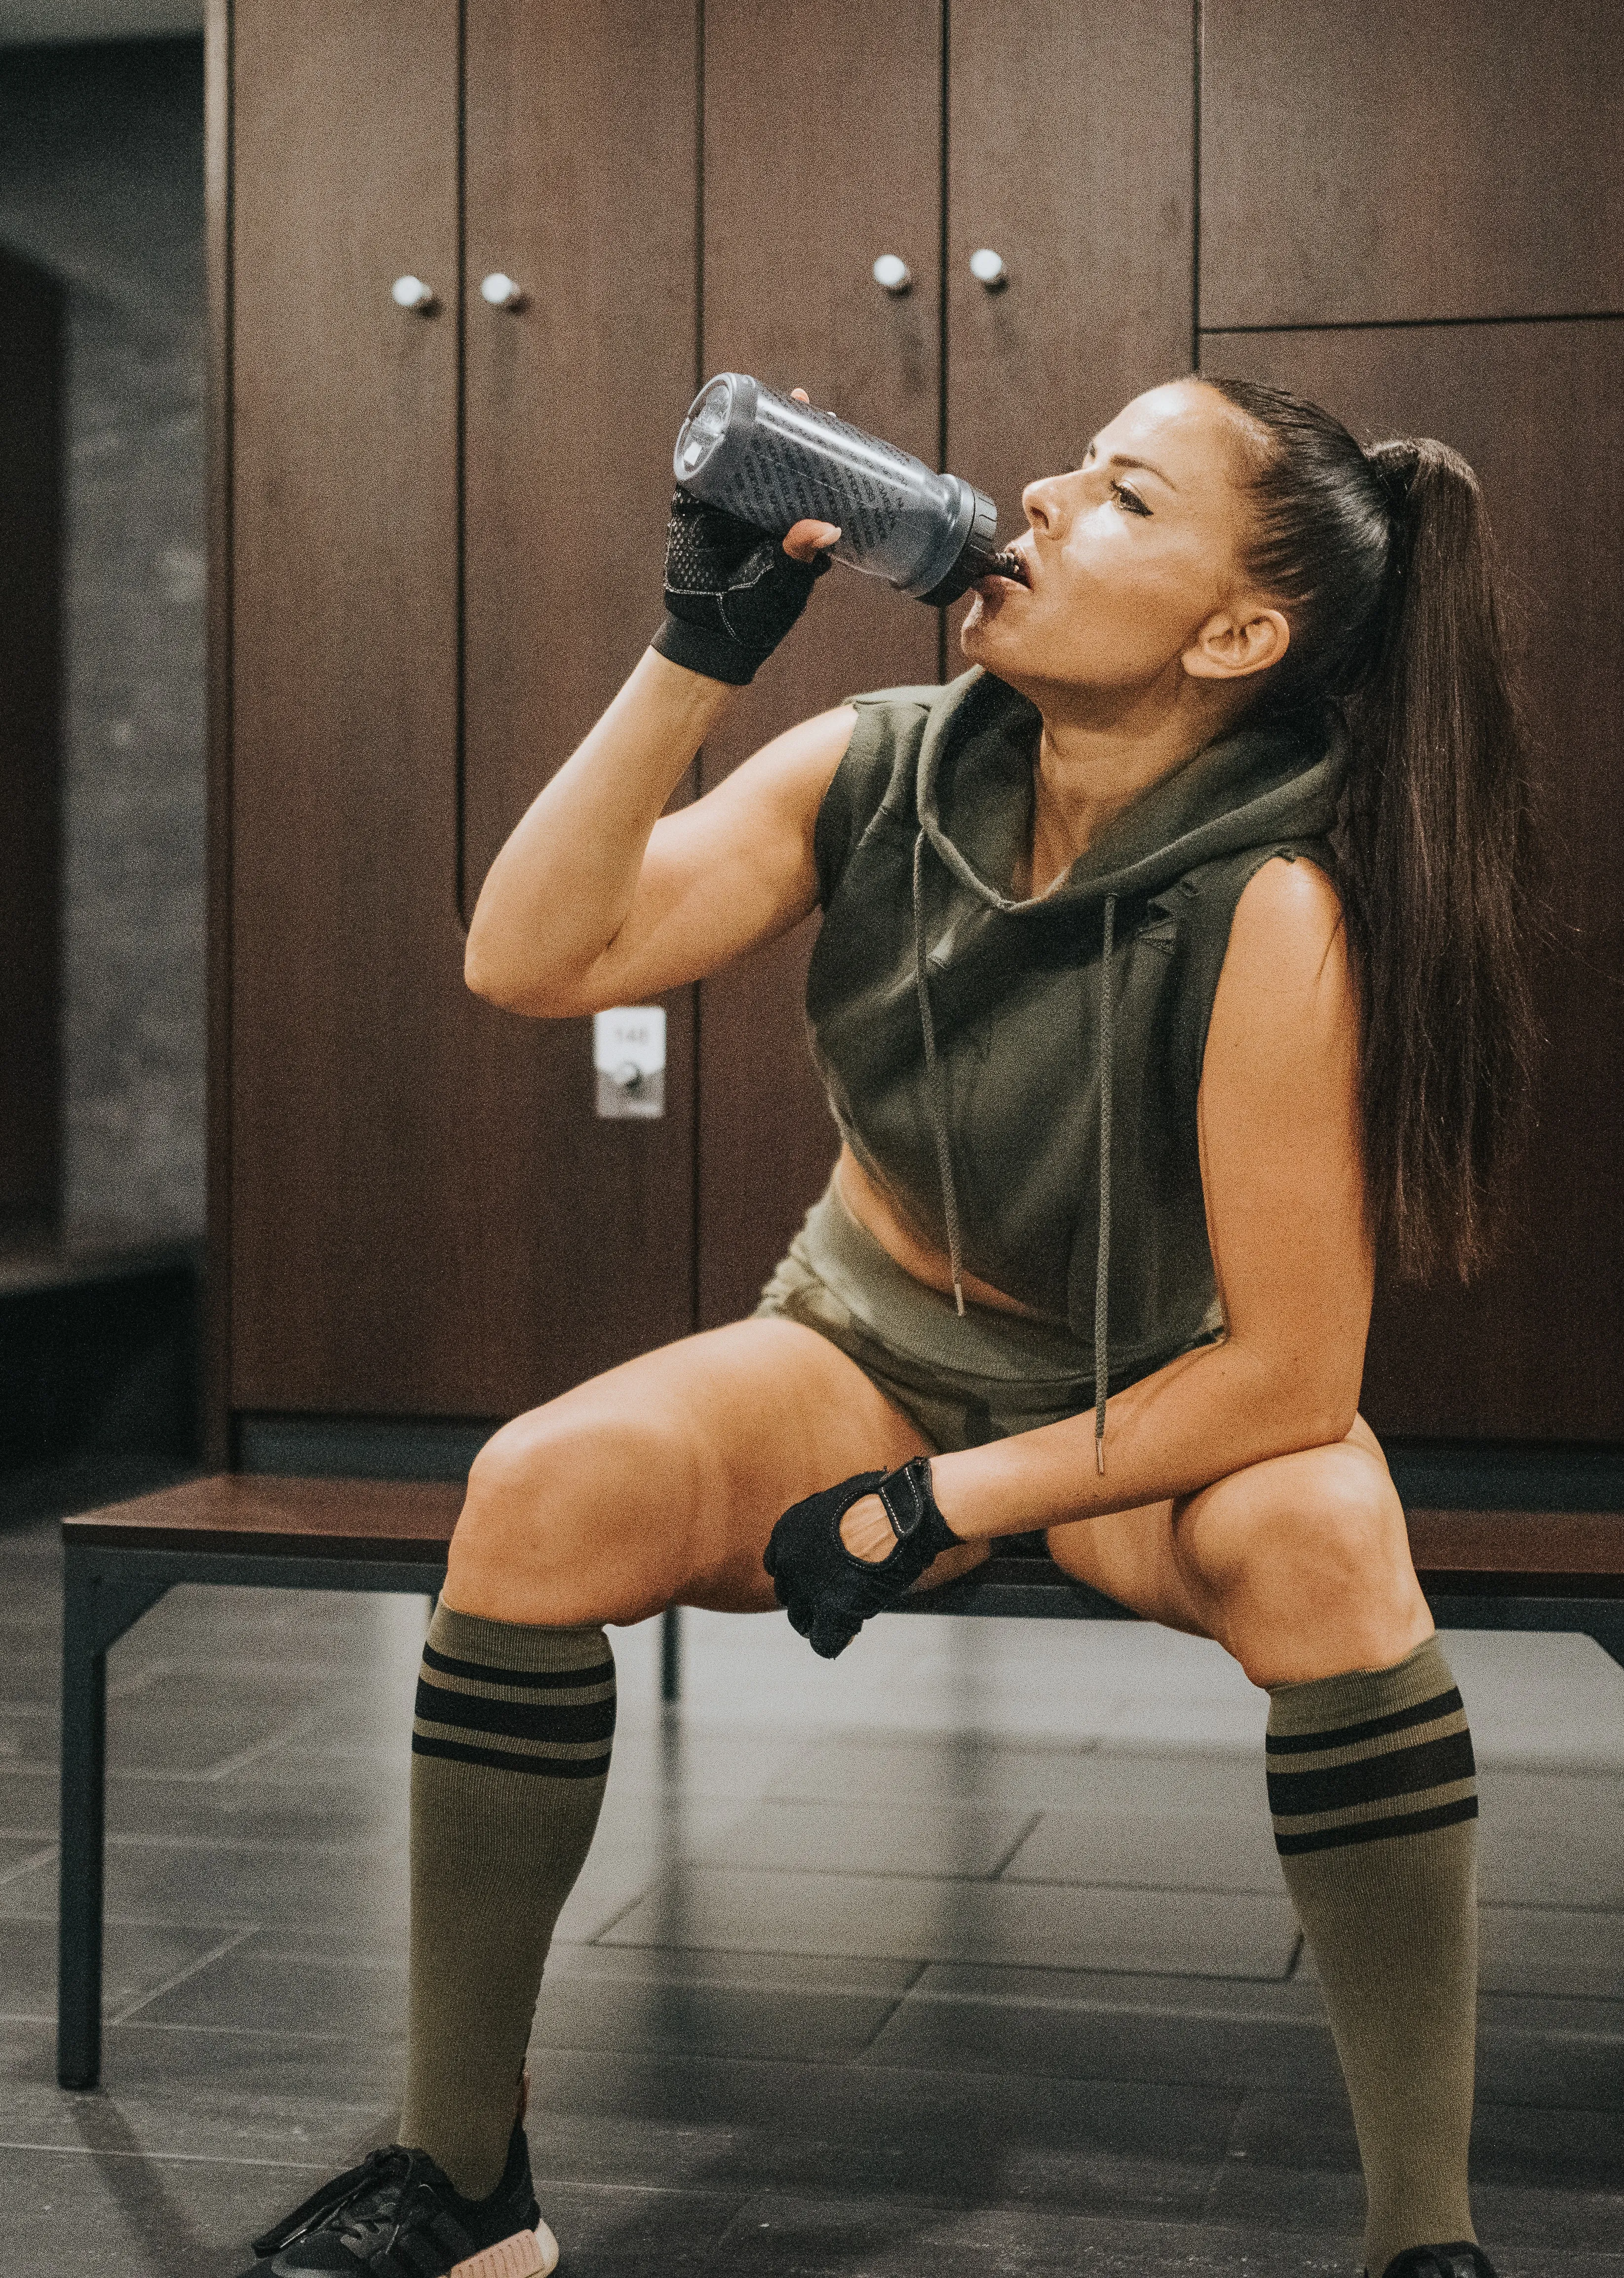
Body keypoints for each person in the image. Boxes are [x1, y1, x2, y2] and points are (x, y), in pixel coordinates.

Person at [244, 373, 1541, 2278]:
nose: (1038, 494)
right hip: (861, 1350)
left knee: (1332, 1528)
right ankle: (462, 2188)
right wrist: (694, 656)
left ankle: (1425, 2244)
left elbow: (1290, 1378)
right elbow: (529, 958)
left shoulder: (1274, 906)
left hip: (1147, 1404)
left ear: (1237, 634)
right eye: (1074, 463)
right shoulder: (880, 764)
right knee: (537, 1489)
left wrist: (949, 1509)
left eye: (1122, 497)